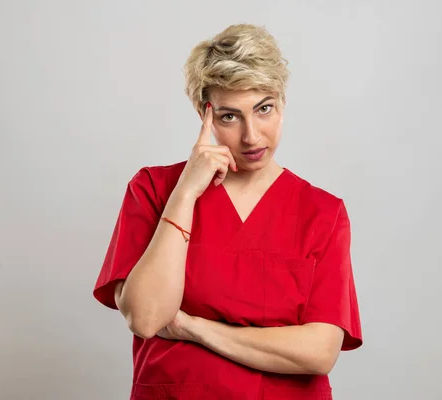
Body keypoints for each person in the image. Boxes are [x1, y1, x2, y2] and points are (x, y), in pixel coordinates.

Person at [93, 24, 363, 400]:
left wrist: (193, 328)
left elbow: (319, 352)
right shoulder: (154, 190)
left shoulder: (322, 212)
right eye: (229, 116)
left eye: (264, 109)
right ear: (205, 115)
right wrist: (186, 192)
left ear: (282, 105)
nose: (252, 136)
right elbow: (147, 317)